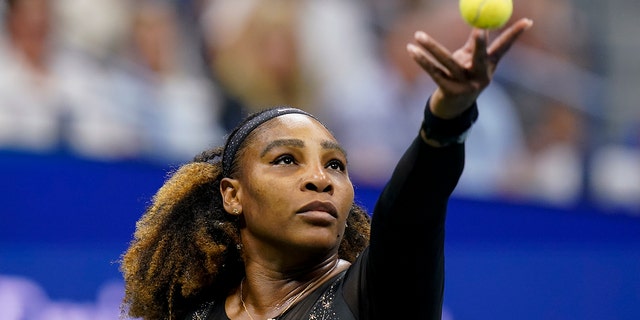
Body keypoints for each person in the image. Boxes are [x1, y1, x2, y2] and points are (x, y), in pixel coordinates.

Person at [119, 18, 533, 320]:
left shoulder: (376, 297)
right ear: (233, 195)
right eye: (285, 160)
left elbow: (411, 213)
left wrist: (447, 118)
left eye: (336, 165)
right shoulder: (192, 315)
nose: (321, 179)